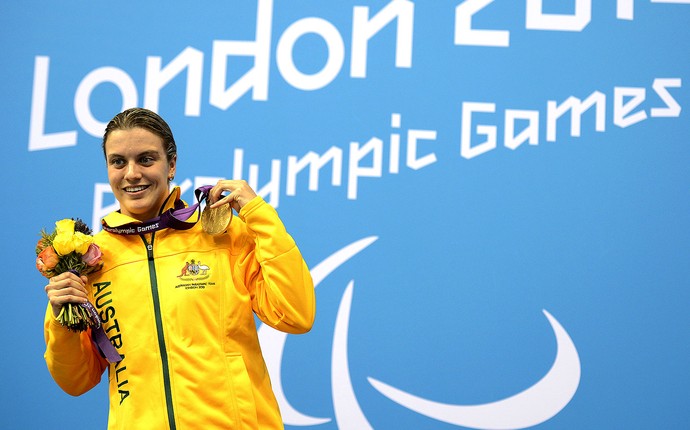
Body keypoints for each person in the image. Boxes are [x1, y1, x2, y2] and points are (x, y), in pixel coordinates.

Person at [43, 107, 316, 429]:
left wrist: (259, 215)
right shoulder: (90, 258)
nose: (132, 173)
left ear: (171, 164)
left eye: (146, 159)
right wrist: (62, 319)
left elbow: (296, 315)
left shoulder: (222, 234)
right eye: (118, 162)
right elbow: (75, 380)